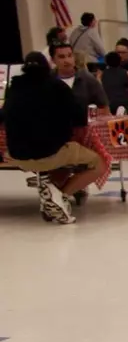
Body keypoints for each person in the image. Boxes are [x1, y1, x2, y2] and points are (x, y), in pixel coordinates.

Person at [1, 52, 107, 224]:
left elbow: (3, 115)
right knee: (98, 163)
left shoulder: (14, 88)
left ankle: (51, 197)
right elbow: (79, 116)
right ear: (49, 65)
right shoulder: (57, 87)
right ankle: (60, 196)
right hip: (51, 151)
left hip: (17, 156)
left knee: (60, 160)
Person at [50, 42, 108, 113]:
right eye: (61, 57)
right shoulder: (48, 81)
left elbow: (104, 108)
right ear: (53, 60)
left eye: (70, 55)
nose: (67, 60)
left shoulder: (88, 79)